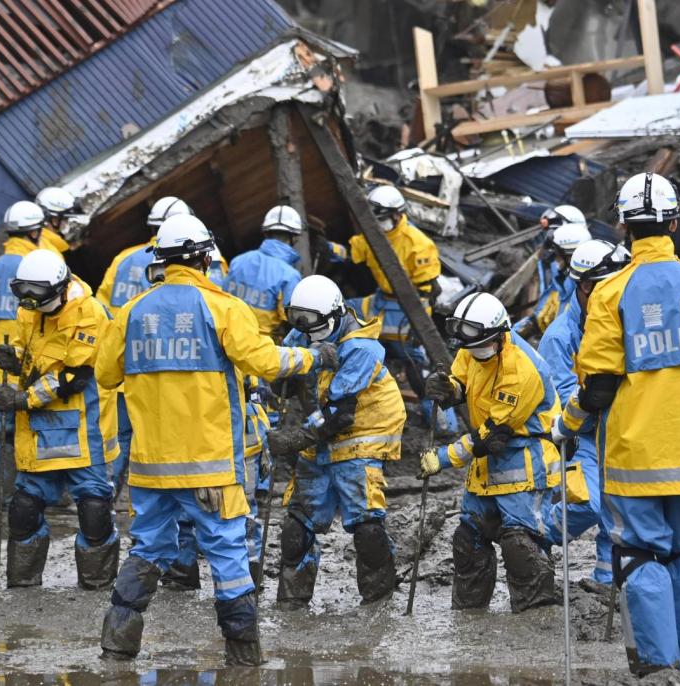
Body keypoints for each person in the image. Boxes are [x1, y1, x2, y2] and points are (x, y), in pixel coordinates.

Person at [95, 214, 336, 666]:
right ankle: (244, 659)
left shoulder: (132, 312)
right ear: (206, 258)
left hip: (150, 469)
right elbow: (265, 361)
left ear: (161, 261)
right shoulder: (222, 308)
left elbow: (106, 375)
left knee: (147, 548)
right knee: (227, 552)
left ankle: (116, 648)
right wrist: (314, 356)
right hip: (209, 466)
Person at [555, 172, 680, 674]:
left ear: (622, 227)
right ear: (675, 222)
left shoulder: (612, 293)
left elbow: (597, 386)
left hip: (635, 458)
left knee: (640, 557)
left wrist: (566, 425)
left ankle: (658, 672)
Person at [268, 275, 406, 608]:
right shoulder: (303, 332)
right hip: (322, 436)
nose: (309, 336)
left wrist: (295, 439)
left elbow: (339, 413)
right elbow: (281, 368)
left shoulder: (362, 348)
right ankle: (292, 604)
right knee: (296, 529)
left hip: (362, 434)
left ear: (334, 315)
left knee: (366, 527)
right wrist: (283, 381)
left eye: (315, 330)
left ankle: (378, 602)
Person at [421, 293, 563, 613]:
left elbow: (487, 435)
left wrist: (442, 459)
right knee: (468, 540)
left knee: (520, 546)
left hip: (524, 461)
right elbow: (462, 378)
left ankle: (534, 623)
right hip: (487, 467)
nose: (475, 354)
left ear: (501, 336)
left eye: (482, 348)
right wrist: (450, 389)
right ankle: (470, 618)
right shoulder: (473, 346)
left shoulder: (522, 371)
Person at [0, 249, 120, 591]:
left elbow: (71, 376)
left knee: (94, 511)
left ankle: (97, 584)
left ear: (59, 287)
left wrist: (22, 398)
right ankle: (23, 583)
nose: (29, 301)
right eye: (23, 293)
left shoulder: (89, 314)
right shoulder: (29, 312)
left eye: (37, 294)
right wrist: (14, 359)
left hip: (82, 428)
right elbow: (35, 356)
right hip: (38, 431)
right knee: (23, 508)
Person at [536, 239, 630, 587]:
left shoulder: (621, 323)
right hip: (579, 437)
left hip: (621, 434)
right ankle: (538, 533)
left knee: (617, 516)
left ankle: (607, 583)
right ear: (587, 287)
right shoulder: (560, 337)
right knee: (587, 504)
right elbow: (561, 403)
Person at [322, 186, 447, 429]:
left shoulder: (418, 243)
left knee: (411, 358)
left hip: (407, 308)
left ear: (398, 215)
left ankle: (440, 419)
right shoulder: (371, 235)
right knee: (343, 311)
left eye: (382, 219)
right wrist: (327, 248)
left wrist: (415, 328)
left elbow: (428, 292)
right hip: (381, 300)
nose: (378, 224)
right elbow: (351, 253)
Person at [96, 196, 193, 491]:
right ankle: (161, 493)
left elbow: (102, 308)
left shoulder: (123, 258)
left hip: (125, 362)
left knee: (121, 435)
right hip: (170, 367)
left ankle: (107, 493)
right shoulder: (198, 261)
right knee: (166, 434)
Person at [0, 201, 49, 486]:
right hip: (24, 361)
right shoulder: (38, 266)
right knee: (24, 426)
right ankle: (21, 483)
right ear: (33, 232)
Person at [223, 205, 306, 339]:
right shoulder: (289, 276)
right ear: (294, 237)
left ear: (266, 233)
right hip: (264, 351)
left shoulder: (238, 261)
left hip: (229, 343)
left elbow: (222, 301)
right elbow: (292, 324)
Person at [515, 213, 591, 338]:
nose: (556, 263)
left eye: (559, 258)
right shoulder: (562, 286)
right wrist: (511, 334)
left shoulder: (585, 296)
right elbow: (540, 318)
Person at [36, 186, 87, 251]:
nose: (67, 223)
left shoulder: (37, 239)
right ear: (54, 220)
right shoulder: (51, 247)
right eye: (66, 219)